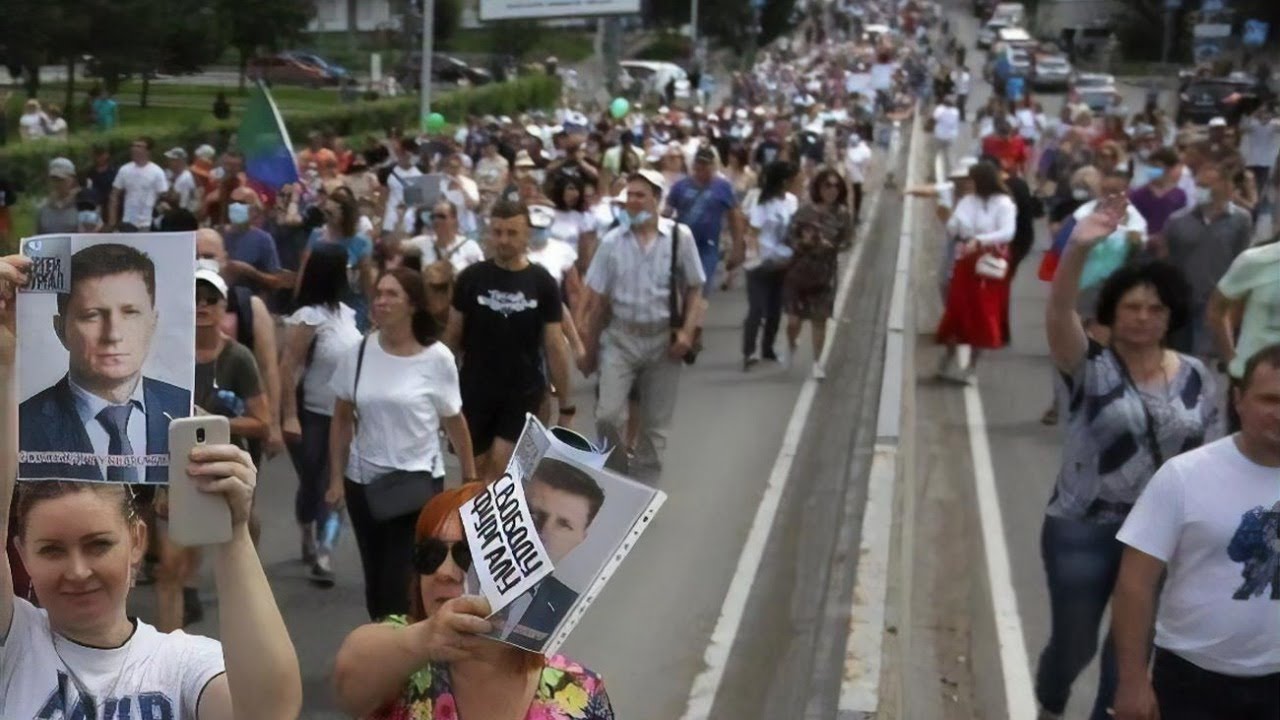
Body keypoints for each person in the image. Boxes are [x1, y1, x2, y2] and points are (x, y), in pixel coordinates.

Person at [0, 252, 302, 720]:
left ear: (137, 539)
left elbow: (269, 711)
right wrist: (3, 364)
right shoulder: (14, 646)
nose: (77, 571)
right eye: (52, 550)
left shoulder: (182, 663)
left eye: (98, 544)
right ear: (19, 553)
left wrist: (234, 532)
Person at [1038, 200, 1219, 720]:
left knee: (1130, 662)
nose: (1143, 317)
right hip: (1082, 529)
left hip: (1158, 538)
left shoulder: (1195, 377)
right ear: (1113, 313)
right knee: (1075, 648)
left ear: (1171, 317)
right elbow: (1058, 310)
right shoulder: (1087, 365)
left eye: (1155, 309)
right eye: (1132, 307)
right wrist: (1078, 247)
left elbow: (1207, 457)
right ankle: (1051, 700)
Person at [331, 483, 614, 719]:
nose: (443, 572)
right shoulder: (402, 650)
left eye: (468, 555)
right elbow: (349, 678)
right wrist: (423, 640)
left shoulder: (578, 691)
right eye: (430, 554)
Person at [1110, 345, 1280, 720]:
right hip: (1193, 680)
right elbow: (1134, 585)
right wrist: (1132, 681)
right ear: (1238, 399)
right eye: (1270, 399)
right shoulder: (1185, 476)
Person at [328, 268, 478, 621]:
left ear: (412, 304)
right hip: (364, 484)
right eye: (378, 293)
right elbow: (340, 418)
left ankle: (402, 655)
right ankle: (385, 648)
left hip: (415, 486)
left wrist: (469, 478)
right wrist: (335, 478)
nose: (381, 300)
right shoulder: (359, 352)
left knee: (399, 582)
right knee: (375, 582)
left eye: (392, 293)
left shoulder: (436, 358)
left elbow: (453, 419)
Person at [155, 267, 271, 632]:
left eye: (210, 299)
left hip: (226, 468)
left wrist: (212, 423)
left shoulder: (238, 358)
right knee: (170, 565)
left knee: (238, 554)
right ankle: (168, 656)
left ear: (224, 308)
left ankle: (244, 634)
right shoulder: (167, 354)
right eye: (195, 298)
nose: (202, 305)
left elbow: (261, 422)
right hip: (176, 469)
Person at [19, 244, 190, 484]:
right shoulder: (20, 425)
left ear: (153, 323)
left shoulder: (187, 410)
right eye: (92, 315)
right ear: (61, 330)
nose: (113, 334)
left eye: (130, 312)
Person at [579, 170, 705, 479]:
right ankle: (615, 474)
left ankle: (644, 489)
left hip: (663, 340)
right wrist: (589, 349)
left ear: (657, 200)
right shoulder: (612, 242)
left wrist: (687, 332)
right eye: (628, 196)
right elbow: (597, 301)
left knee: (655, 426)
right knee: (607, 415)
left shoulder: (679, 237)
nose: (632, 202)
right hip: (621, 338)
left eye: (639, 195)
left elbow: (695, 288)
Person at [444, 200, 571, 481]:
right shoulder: (471, 278)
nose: (503, 240)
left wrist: (566, 404)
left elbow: (555, 346)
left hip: (522, 391)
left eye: (512, 233)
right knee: (473, 476)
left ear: (526, 234)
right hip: (474, 390)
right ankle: (473, 523)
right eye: (497, 232)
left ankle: (494, 522)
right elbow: (451, 338)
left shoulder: (542, 282)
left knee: (501, 470)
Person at [281, 243, 362, 586]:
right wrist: (289, 415)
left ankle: (326, 551)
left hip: (346, 415)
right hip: (312, 413)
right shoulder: (308, 317)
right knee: (312, 484)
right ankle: (307, 534)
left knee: (336, 482)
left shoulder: (349, 313)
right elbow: (288, 368)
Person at [492, 458, 605, 650]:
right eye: (533, 514)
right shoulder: (455, 568)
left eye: (564, 524)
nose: (543, 532)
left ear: (580, 538)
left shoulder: (572, 610)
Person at [195, 228, 285, 463]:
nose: (202, 305)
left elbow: (268, 366)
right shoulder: (169, 314)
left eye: (208, 255)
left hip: (237, 438)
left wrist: (274, 425)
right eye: (195, 255)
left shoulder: (249, 306)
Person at [1159, 159, 1253, 359]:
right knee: (1177, 355)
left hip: (1216, 300)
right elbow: (1167, 260)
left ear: (1225, 186)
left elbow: (1241, 260)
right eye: (1198, 185)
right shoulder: (1177, 220)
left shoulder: (1241, 220)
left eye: (1206, 186)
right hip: (1181, 299)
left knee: (1204, 358)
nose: (1200, 190)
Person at [934, 161, 1016, 383]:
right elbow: (954, 227)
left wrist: (980, 239)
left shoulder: (1004, 203)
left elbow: (1007, 232)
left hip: (988, 265)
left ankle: (971, 366)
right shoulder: (967, 201)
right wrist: (955, 221)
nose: (968, 184)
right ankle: (949, 355)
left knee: (982, 313)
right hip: (965, 263)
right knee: (957, 310)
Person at [784, 168, 849, 381]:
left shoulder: (842, 214)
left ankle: (817, 362)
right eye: (827, 185)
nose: (831, 190)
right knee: (794, 321)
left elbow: (848, 240)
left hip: (825, 274)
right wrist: (804, 243)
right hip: (799, 272)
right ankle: (792, 342)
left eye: (835, 186)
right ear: (818, 188)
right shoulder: (804, 212)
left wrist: (832, 245)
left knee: (819, 320)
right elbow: (789, 236)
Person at [1207, 239, 1280, 430]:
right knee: (1245, 454)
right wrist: (1232, 360)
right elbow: (1217, 309)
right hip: (1252, 380)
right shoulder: (1256, 260)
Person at [742, 160, 800, 371]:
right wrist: (756, 258)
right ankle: (749, 351)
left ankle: (768, 348)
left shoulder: (792, 201)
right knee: (757, 308)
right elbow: (753, 234)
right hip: (761, 263)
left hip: (784, 262)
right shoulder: (762, 203)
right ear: (784, 181)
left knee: (775, 310)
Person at [665, 146, 746, 296]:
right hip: (683, 242)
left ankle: (693, 315)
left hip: (708, 245)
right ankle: (685, 316)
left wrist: (737, 247)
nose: (702, 167)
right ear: (694, 165)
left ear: (713, 166)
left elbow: (734, 217)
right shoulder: (680, 187)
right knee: (681, 286)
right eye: (699, 163)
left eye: (706, 164)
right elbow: (667, 213)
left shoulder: (723, 187)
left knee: (701, 284)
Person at [300, 188, 375, 331]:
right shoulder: (316, 236)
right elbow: (304, 270)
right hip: (319, 301)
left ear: (344, 216)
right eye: (325, 212)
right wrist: (297, 302)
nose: (326, 217)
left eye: (330, 213)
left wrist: (372, 308)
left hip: (350, 302)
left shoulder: (361, 242)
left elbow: (366, 280)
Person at [403, 200, 485, 275]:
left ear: (454, 219)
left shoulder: (469, 246)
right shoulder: (423, 242)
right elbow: (396, 247)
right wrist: (400, 218)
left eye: (441, 216)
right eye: (433, 217)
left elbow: (482, 273)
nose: (436, 220)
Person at [108, 137, 169, 231]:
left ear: (148, 151)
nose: (135, 149)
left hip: (147, 222)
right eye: (133, 146)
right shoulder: (124, 170)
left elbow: (163, 196)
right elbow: (114, 194)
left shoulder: (157, 171)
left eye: (139, 146)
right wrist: (112, 220)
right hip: (128, 221)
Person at [35, 157, 81, 235]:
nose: (57, 183)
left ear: (72, 179)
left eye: (61, 179)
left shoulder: (82, 204)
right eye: (54, 179)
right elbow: (37, 237)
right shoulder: (43, 207)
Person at [164, 146, 201, 214]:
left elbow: (174, 198)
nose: (169, 162)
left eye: (171, 159)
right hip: (178, 213)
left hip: (183, 215)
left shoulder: (185, 177)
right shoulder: (174, 175)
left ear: (179, 161)